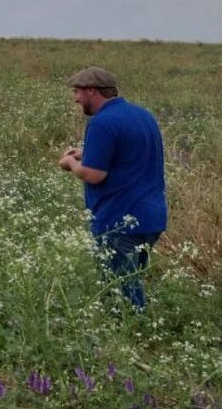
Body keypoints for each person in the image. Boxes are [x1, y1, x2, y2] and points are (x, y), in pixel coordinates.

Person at [58, 67, 167, 311]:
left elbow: (94, 175)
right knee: (130, 282)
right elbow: (129, 155)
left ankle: (132, 341)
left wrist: (71, 163)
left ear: (92, 91)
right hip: (151, 218)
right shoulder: (142, 115)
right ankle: (138, 337)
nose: (75, 98)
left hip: (119, 221)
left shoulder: (102, 122)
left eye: (77, 92)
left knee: (122, 295)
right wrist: (87, 154)